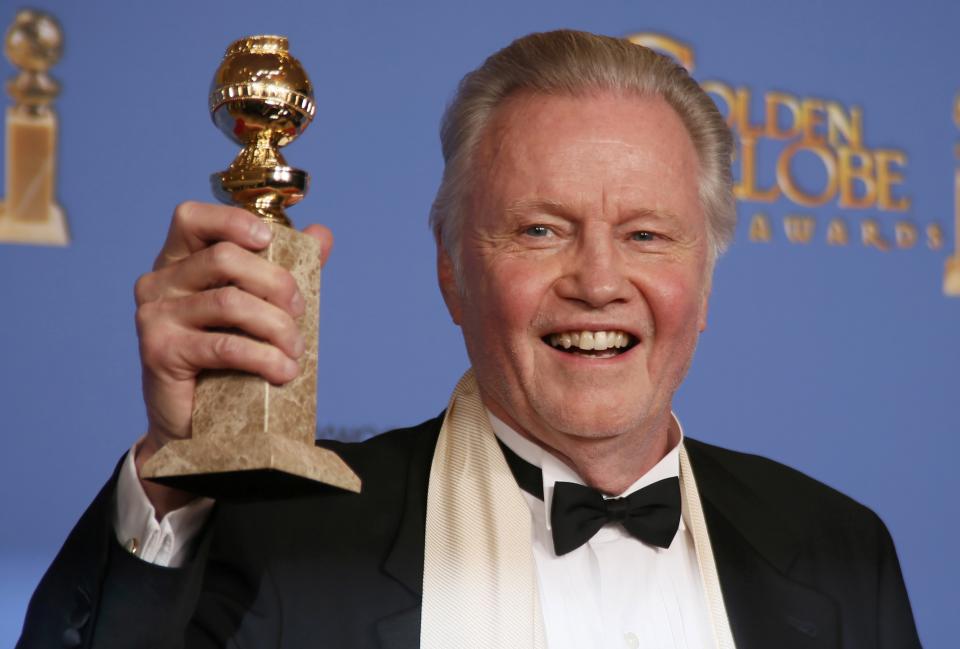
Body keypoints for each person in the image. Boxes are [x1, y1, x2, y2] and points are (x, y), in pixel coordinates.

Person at [18, 30, 921, 649]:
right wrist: (176, 474)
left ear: (706, 278)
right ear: (452, 270)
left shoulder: (841, 550)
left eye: (648, 234)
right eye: (539, 230)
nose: (599, 280)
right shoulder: (285, 536)